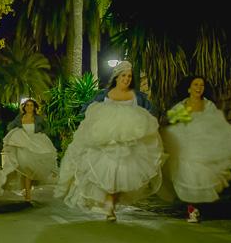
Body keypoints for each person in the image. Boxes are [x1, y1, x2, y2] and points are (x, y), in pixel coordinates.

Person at [55, 61, 164, 221]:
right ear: (116, 77)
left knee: (122, 176)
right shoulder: (103, 95)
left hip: (129, 145)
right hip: (105, 144)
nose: (126, 79)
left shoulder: (138, 97)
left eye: (129, 76)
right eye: (123, 76)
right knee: (108, 174)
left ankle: (111, 204)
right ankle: (109, 205)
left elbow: (149, 114)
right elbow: (88, 112)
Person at [160, 75, 231, 223]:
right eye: (195, 84)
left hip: (204, 148)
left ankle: (198, 206)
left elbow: (216, 125)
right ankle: (192, 209)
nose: (198, 88)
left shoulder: (208, 106)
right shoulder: (183, 106)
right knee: (188, 178)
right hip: (186, 148)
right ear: (189, 88)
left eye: (201, 85)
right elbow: (173, 122)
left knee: (201, 179)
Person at [2, 98, 57, 202]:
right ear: (24, 107)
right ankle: (27, 191)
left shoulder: (38, 118)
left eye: (31, 105)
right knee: (25, 170)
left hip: (35, 145)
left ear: (35, 107)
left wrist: (40, 133)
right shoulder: (20, 117)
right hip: (23, 145)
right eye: (27, 105)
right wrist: (18, 131)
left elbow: (47, 128)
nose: (29, 107)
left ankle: (28, 194)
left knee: (28, 170)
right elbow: (10, 126)